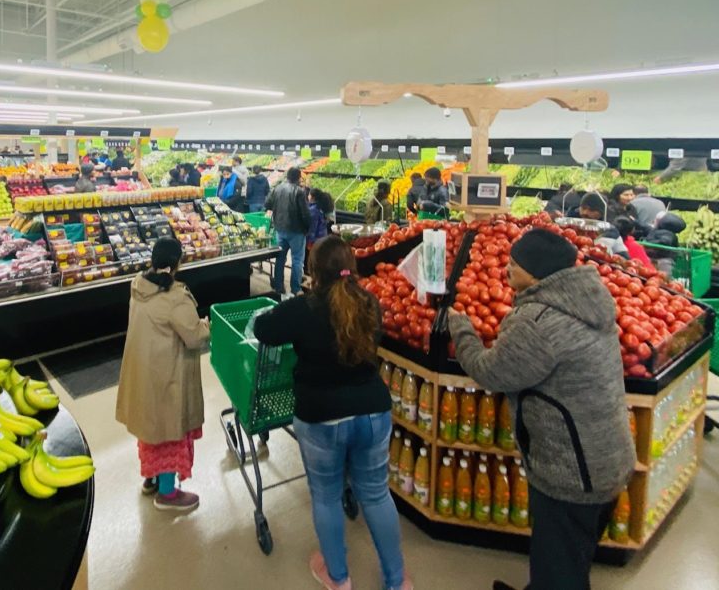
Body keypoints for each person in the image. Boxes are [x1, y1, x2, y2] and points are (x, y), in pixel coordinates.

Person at [447, 229, 634, 590]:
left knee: (560, 567)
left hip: (572, 470)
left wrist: (463, 331)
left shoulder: (537, 322)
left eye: (514, 265)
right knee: (571, 552)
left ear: (535, 273)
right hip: (607, 454)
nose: (506, 270)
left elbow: (491, 372)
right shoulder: (591, 299)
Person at [254, 236, 409, 590]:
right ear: (351, 268)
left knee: (325, 495)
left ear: (312, 271)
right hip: (373, 411)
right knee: (375, 493)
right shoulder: (369, 302)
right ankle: (397, 580)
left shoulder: (303, 308)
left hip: (321, 417)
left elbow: (264, 330)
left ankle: (338, 578)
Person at [115, 237, 209, 512]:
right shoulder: (175, 297)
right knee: (169, 429)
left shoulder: (139, 286)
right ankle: (167, 493)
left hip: (142, 370)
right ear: (177, 263)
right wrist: (205, 326)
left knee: (149, 425)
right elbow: (193, 337)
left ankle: (150, 478)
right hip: (166, 373)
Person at [265, 167, 311, 296]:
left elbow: (267, 204)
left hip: (280, 228)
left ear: (287, 176)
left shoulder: (277, 188)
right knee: (297, 260)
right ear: (298, 178)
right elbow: (305, 213)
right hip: (296, 231)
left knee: (280, 258)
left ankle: (279, 287)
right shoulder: (299, 192)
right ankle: (295, 289)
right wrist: (307, 228)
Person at [578, 192, 628, 257]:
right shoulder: (575, 224)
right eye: (583, 208)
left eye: (592, 210)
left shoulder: (609, 230)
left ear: (601, 213)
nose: (585, 212)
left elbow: (599, 254)